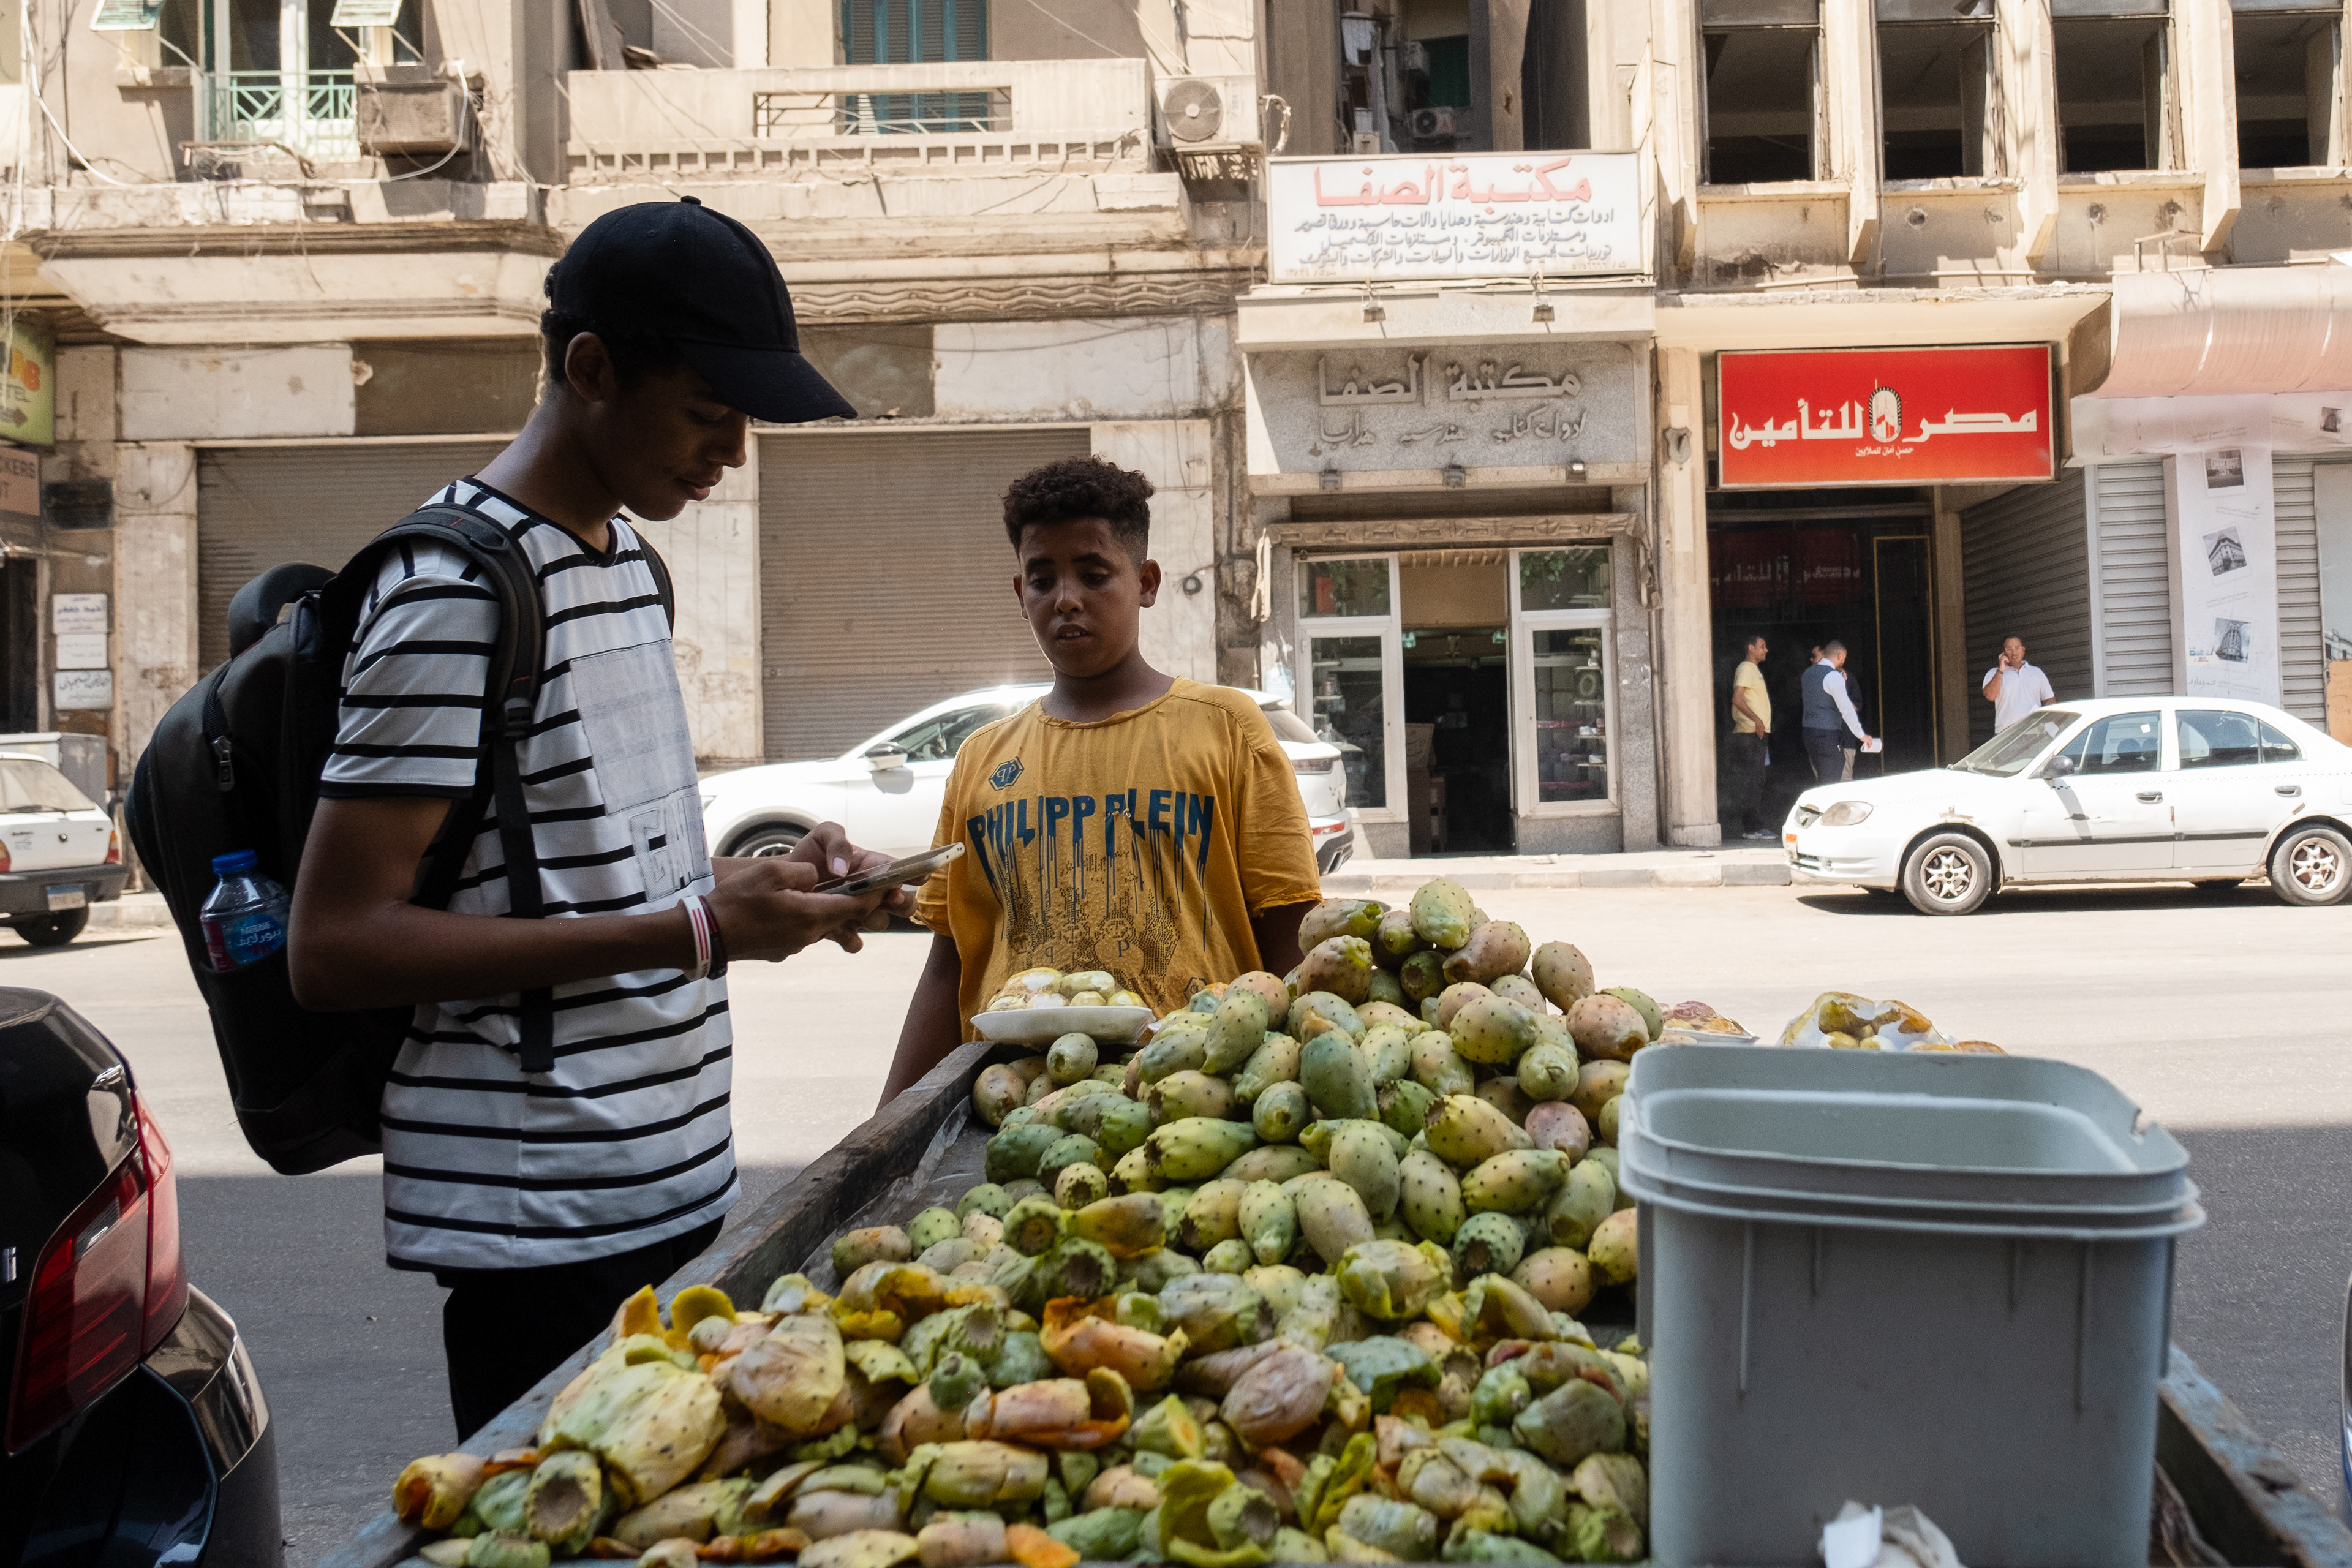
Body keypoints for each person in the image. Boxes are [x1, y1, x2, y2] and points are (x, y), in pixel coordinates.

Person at [285, 196, 910, 1438]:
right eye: (706, 411)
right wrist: (692, 929)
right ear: (591, 368)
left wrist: (777, 879)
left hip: (671, 1185)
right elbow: (336, 944)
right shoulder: (455, 591)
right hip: (541, 1223)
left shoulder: (627, 561)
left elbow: (590, 861)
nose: (731, 453)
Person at [883, 456, 1325, 1102]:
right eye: (1043, 579)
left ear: (1145, 582)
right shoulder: (983, 757)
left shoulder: (1227, 728)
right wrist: (885, 1124)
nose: (1067, 599)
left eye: (1094, 574)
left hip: (1193, 1097)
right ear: (1020, 593)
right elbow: (949, 962)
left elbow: (1289, 933)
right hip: (1016, 1100)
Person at [1800, 641, 1875, 783]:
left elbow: (1818, 698)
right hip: (1827, 735)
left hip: (1809, 733)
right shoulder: (1833, 676)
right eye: (1844, 658)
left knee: (1821, 779)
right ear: (1840, 656)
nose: (1843, 662)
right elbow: (1846, 709)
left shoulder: (1807, 674)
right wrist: (1862, 735)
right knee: (1832, 781)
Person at [1725, 633, 1773, 839]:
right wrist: (1758, 720)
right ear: (1751, 648)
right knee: (1753, 781)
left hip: (1756, 734)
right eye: (1762, 646)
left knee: (1756, 780)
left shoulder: (1753, 670)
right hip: (1750, 733)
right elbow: (1738, 699)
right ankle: (1753, 828)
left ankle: (1752, 826)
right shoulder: (1746, 668)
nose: (1766, 650)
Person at [1982, 636, 2056, 731]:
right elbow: (1990, 696)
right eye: (2009, 649)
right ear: (2003, 653)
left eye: (2017, 648)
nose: (2014, 653)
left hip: (2033, 731)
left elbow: (2049, 699)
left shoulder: (2037, 672)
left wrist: (2043, 721)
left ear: (2023, 650)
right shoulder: (1994, 673)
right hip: (2005, 733)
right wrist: (2001, 670)